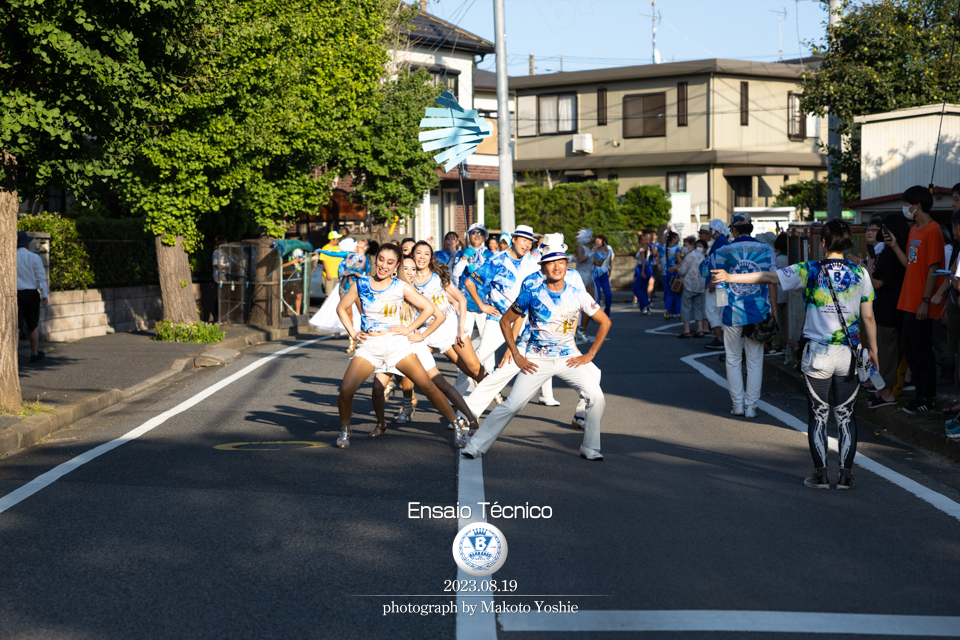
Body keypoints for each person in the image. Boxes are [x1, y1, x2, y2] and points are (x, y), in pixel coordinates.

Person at [713, 219, 877, 490]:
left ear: (823, 243)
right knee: (846, 416)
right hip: (850, 353)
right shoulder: (861, 274)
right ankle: (846, 476)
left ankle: (820, 475)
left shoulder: (810, 269)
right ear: (847, 242)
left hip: (817, 354)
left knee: (819, 415)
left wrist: (731, 277)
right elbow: (868, 318)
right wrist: (874, 351)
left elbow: (769, 277)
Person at [461, 236, 612, 461]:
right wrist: (516, 354)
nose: (557, 266)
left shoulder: (576, 292)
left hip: (568, 358)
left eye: (561, 261)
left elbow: (605, 321)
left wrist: (589, 355)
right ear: (543, 267)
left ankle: (590, 447)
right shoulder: (531, 290)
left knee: (597, 396)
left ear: (566, 264)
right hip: (535, 359)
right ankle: (476, 444)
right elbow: (505, 321)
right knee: (512, 405)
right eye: (551, 262)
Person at [334, 243, 468, 449]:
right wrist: (353, 333)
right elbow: (342, 308)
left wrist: (410, 329)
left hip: (397, 345)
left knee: (428, 387)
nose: (384, 266)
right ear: (375, 259)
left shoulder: (401, 286)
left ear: (396, 265)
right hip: (370, 346)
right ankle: (345, 429)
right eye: (381, 260)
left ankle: (456, 425)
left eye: (390, 262)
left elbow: (429, 308)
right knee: (346, 391)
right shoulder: (361, 284)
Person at [367, 254, 478, 445]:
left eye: (413, 269)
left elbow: (439, 315)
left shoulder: (415, 292)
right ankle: (381, 423)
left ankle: (469, 419)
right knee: (377, 388)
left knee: (438, 384)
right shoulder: (389, 287)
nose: (410, 273)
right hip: (388, 343)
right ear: (398, 269)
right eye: (406, 269)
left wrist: (419, 334)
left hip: (412, 344)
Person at [702, 212, 776, 418]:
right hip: (758, 312)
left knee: (733, 359)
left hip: (732, 312)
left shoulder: (725, 250)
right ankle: (752, 407)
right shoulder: (767, 250)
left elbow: (705, 271)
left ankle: (738, 405)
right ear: (750, 228)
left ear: (733, 230)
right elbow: (772, 279)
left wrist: (722, 303)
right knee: (754, 360)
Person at [883, 185, 946, 414]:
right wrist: (894, 246)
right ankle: (920, 395)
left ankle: (927, 398)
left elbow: (934, 267)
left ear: (916, 205)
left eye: (906, 203)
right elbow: (910, 264)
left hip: (920, 302)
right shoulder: (914, 231)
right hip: (908, 301)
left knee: (921, 352)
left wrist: (925, 300)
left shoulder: (933, 230)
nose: (905, 207)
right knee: (910, 351)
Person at [456, 225, 541, 395]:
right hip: (499, 318)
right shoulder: (497, 261)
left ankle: (545, 395)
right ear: (513, 239)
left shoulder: (533, 262)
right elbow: (469, 283)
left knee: (543, 358)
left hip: (527, 320)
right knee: (479, 358)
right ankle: (456, 395)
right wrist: (482, 305)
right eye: (523, 240)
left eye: (529, 241)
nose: (526, 245)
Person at [865, 213, 909, 409]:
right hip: (898, 308)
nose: (881, 232)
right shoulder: (902, 251)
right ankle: (882, 391)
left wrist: (869, 265)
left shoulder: (889, 255)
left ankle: (887, 394)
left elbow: (876, 283)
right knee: (890, 352)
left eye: (883, 229)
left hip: (886, 311)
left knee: (885, 353)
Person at [16, 231, 48, 363]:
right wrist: (44, 294)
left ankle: (13, 355)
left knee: (15, 326)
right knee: (33, 325)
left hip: (15, 294)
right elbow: (41, 278)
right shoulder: (34, 258)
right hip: (31, 294)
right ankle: (34, 353)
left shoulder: (9, 257)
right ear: (27, 244)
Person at [703, 219, 730, 350]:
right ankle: (724, 339)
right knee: (722, 309)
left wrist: (712, 281)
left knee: (712, 310)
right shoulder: (724, 241)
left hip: (717, 282)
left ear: (714, 229)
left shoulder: (719, 242)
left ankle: (720, 339)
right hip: (723, 282)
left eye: (710, 229)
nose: (709, 232)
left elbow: (718, 262)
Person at [676, 235, 707, 338]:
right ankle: (700, 329)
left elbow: (683, 270)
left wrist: (677, 268)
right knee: (698, 308)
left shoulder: (689, 256)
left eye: (685, 245)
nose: (684, 247)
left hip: (689, 285)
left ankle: (686, 330)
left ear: (690, 246)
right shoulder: (701, 255)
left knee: (686, 307)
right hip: (700, 285)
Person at [768, 232, 790, 356]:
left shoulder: (775, 259)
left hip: (777, 295)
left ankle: (776, 345)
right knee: (786, 322)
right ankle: (786, 344)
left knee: (777, 322)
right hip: (789, 295)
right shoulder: (790, 259)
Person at [574, 229, 596, 342]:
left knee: (591, 303)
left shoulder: (590, 249)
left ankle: (582, 328)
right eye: (590, 237)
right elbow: (580, 260)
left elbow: (598, 263)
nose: (592, 239)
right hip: (581, 277)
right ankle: (578, 330)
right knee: (579, 305)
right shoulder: (580, 248)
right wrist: (591, 253)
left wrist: (605, 252)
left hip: (589, 277)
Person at [661, 231, 682, 319]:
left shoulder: (665, 247)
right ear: (674, 239)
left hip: (667, 271)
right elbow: (679, 260)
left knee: (669, 292)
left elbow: (662, 240)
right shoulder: (677, 248)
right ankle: (678, 312)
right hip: (675, 271)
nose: (678, 240)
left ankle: (667, 310)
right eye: (677, 238)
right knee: (677, 292)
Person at [592, 234, 613, 316]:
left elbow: (610, 262)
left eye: (598, 241)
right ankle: (595, 315)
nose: (596, 243)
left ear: (603, 241)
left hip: (605, 275)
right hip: (595, 276)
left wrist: (610, 270)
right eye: (595, 241)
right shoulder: (593, 251)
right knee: (597, 296)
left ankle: (607, 312)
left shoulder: (609, 251)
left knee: (608, 295)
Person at [318, 230, 344, 297]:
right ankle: (327, 307)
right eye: (336, 239)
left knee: (338, 295)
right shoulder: (325, 248)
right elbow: (324, 261)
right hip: (330, 276)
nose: (338, 241)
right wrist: (328, 273)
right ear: (331, 239)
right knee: (329, 294)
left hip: (338, 275)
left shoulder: (339, 248)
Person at [633, 231, 653, 314]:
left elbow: (643, 261)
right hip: (647, 269)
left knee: (635, 288)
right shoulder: (647, 248)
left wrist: (642, 272)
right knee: (643, 289)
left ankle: (646, 303)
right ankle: (644, 308)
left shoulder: (642, 249)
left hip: (643, 269)